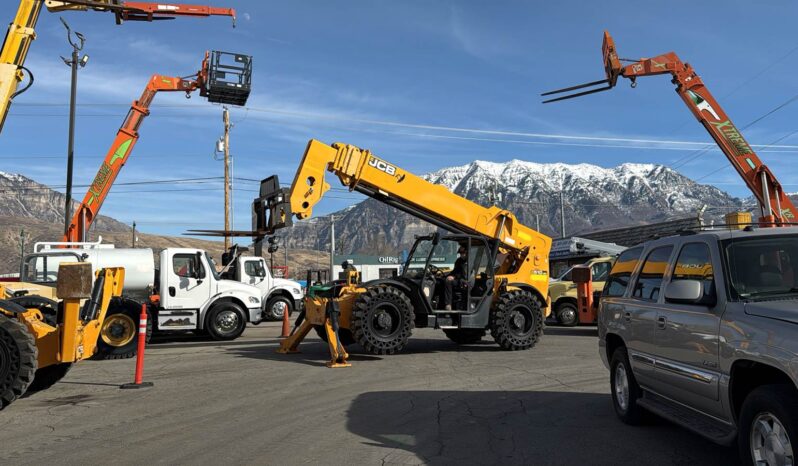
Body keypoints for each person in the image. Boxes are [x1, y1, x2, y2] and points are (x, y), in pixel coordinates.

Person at [444, 246, 468, 310]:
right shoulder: (459, 261)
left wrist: (454, 277)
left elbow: (465, 274)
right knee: (444, 280)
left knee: (448, 282)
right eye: (460, 253)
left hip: (464, 281)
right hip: (458, 279)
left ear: (466, 253)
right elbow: (455, 271)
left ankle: (448, 304)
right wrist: (446, 275)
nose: (461, 255)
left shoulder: (468, 262)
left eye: (463, 253)